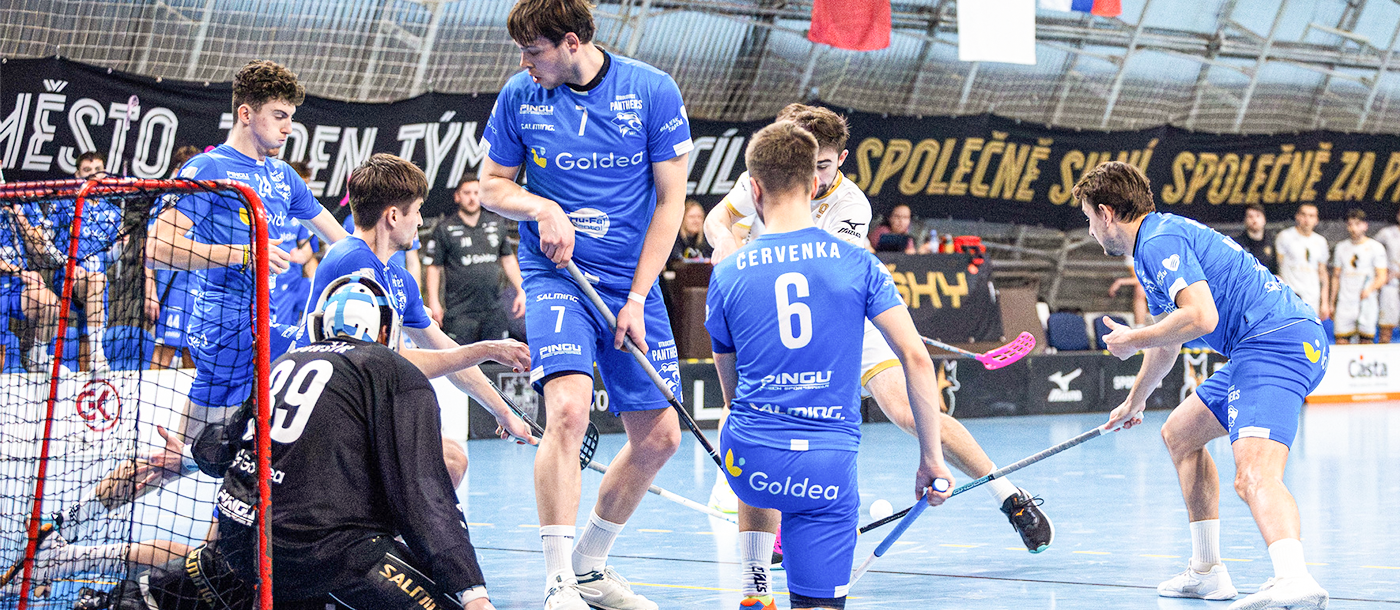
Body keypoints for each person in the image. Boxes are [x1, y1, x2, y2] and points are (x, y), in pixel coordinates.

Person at [703, 103, 1053, 555]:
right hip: (784, 324)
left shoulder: (851, 206)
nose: (814, 177)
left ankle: (1008, 495)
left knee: (911, 413)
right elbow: (717, 219)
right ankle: (761, 510)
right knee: (757, 412)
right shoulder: (767, 179)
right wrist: (726, 242)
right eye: (807, 164)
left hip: (845, 324)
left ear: (841, 159)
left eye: (823, 165)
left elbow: (824, 277)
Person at [478, 0, 693, 606]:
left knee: (660, 438)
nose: (526, 64)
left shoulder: (651, 91)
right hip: (558, 276)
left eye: (534, 51)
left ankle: (589, 566)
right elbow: (491, 185)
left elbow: (670, 203)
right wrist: (542, 207)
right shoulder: (520, 96)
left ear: (571, 42)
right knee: (569, 412)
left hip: (629, 281)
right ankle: (558, 584)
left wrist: (638, 296)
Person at [707, 121, 953, 610]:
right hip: (826, 468)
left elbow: (729, 378)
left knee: (752, 432)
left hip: (749, 465)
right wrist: (930, 457)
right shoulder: (860, 264)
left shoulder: (728, 272)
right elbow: (916, 358)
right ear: (814, 183)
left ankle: (756, 586)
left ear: (754, 189)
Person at [1083, 161, 1330, 609]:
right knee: (1180, 434)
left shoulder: (1158, 241)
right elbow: (1171, 339)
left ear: (1106, 213)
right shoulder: (1151, 247)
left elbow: (1201, 317)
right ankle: (1207, 571)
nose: (1090, 230)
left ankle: (1294, 577)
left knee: (1254, 473)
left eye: (1088, 218)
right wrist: (1134, 401)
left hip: (1278, 342)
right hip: (1259, 346)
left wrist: (1133, 338)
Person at [147, 59, 348, 443]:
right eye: (279, 116)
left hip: (264, 323)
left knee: (194, 449)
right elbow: (156, 247)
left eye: (290, 117)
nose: (288, 128)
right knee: (194, 450)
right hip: (224, 324)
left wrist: (381, 269)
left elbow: (341, 239)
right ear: (245, 114)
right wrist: (245, 254)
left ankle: (158, 470)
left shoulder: (283, 176)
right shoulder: (209, 167)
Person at [423, 177, 525, 343]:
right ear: (457, 196)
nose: (472, 198)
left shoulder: (496, 224)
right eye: (467, 193)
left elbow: (508, 259)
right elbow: (434, 267)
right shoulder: (445, 228)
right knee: (460, 357)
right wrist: (433, 302)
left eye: (476, 193)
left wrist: (521, 290)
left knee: (498, 357)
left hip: (494, 310)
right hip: (460, 312)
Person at [49, 151, 123, 370]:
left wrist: (121, 246)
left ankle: (93, 363)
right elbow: (45, 242)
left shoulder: (113, 211)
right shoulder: (65, 202)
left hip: (98, 283)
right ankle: (98, 356)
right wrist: (68, 264)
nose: (93, 175)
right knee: (96, 282)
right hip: (68, 280)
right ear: (77, 174)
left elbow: (111, 259)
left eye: (98, 170)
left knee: (87, 332)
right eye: (87, 170)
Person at [146, 145, 206, 368]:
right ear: (177, 171)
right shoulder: (166, 202)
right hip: (171, 290)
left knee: (194, 352)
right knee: (164, 349)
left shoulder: (206, 202)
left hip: (200, 291)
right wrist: (150, 292)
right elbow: (148, 250)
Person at [1328, 208, 1387, 344]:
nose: (1354, 228)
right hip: (1345, 302)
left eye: (1357, 224)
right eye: (1350, 224)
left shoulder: (1375, 247)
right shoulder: (1341, 247)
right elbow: (1336, 276)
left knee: (1366, 341)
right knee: (1341, 341)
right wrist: (1332, 302)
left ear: (1365, 225)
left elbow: (1382, 276)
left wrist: (1369, 289)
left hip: (1366, 302)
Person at [1274, 203, 1329, 320]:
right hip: (1290, 296)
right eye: (1303, 215)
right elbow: (1278, 266)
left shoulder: (1321, 241)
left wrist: (1324, 302)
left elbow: (1322, 272)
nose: (1307, 219)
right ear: (1297, 216)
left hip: (1312, 298)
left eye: (1311, 216)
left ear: (1316, 220)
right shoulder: (1284, 237)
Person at [1374, 207, 1400, 342]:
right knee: (1386, 327)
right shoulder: (1387, 233)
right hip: (1392, 284)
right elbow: (1370, 250)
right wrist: (1383, 271)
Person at [1237, 203, 1278, 276]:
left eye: (1258, 216)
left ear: (1264, 219)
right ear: (1245, 220)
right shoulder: (1238, 244)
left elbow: (1275, 268)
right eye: (1250, 216)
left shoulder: (1272, 241)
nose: (1254, 220)